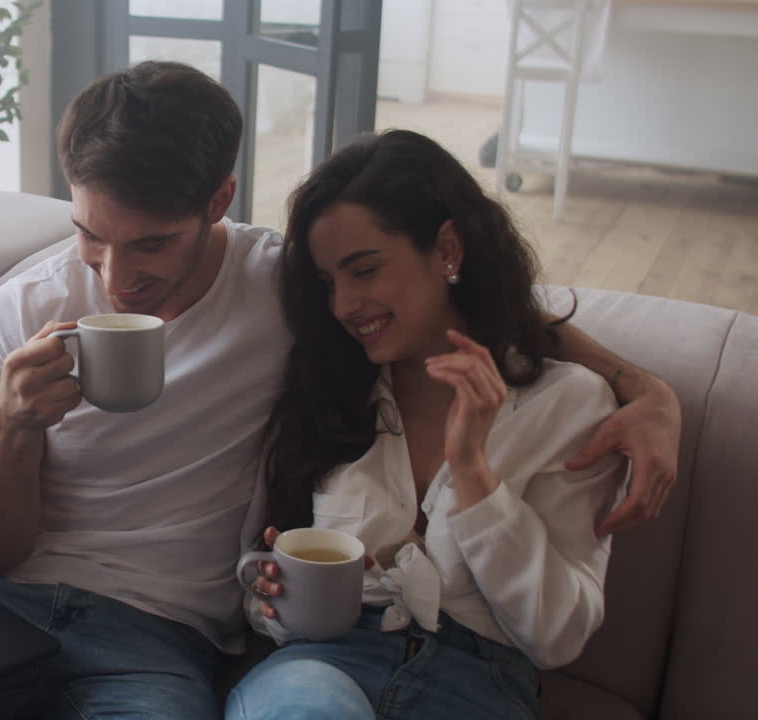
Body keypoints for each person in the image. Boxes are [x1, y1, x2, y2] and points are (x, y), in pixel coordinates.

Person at [0, 63, 680, 720]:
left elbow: (455, 308)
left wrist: (644, 389)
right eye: (90, 236)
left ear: (220, 199)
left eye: (150, 244)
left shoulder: (292, 289)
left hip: (155, 642)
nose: (115, 279)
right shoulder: (22, 307)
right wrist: (16, 430)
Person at [226, 129, 630, 720]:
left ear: (447, 249)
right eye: (328, 282)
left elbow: (556, 636)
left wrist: (474, 476)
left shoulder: (571, 405)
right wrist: (273, 599)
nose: (342, 306)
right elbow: (261, 593)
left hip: (477, 684)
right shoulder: (328, 390)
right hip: (320, 671)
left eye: (364, 270)